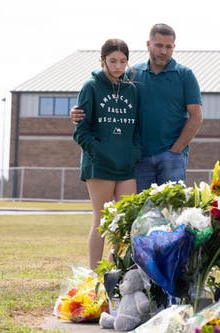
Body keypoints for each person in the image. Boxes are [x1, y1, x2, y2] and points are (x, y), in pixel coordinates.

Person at [71, 23, 203, 193]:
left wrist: (175, 151)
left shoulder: (185, 75)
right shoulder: (132, 74)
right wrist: (79, 111)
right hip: (139, 159)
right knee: (140, 215)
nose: (164, 51)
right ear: (148, 45)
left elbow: (196, 116)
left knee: (170, 212)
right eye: (159, 45)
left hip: (172, 158)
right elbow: (105, 89)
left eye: (168, 47)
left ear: (174, 47)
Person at [73, 39, 141, 269]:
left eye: (123, 61)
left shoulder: (132, 90)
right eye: (113, 61)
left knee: (124, 223)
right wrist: (101, 153)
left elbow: (137, 130)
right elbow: (81, 132)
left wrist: (133, 153)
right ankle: (95, 276)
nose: (118, 66)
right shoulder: (90, 86)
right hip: (99, 166)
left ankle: (113, 274)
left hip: (126, 166)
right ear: (103, 60)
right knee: (101, 221)